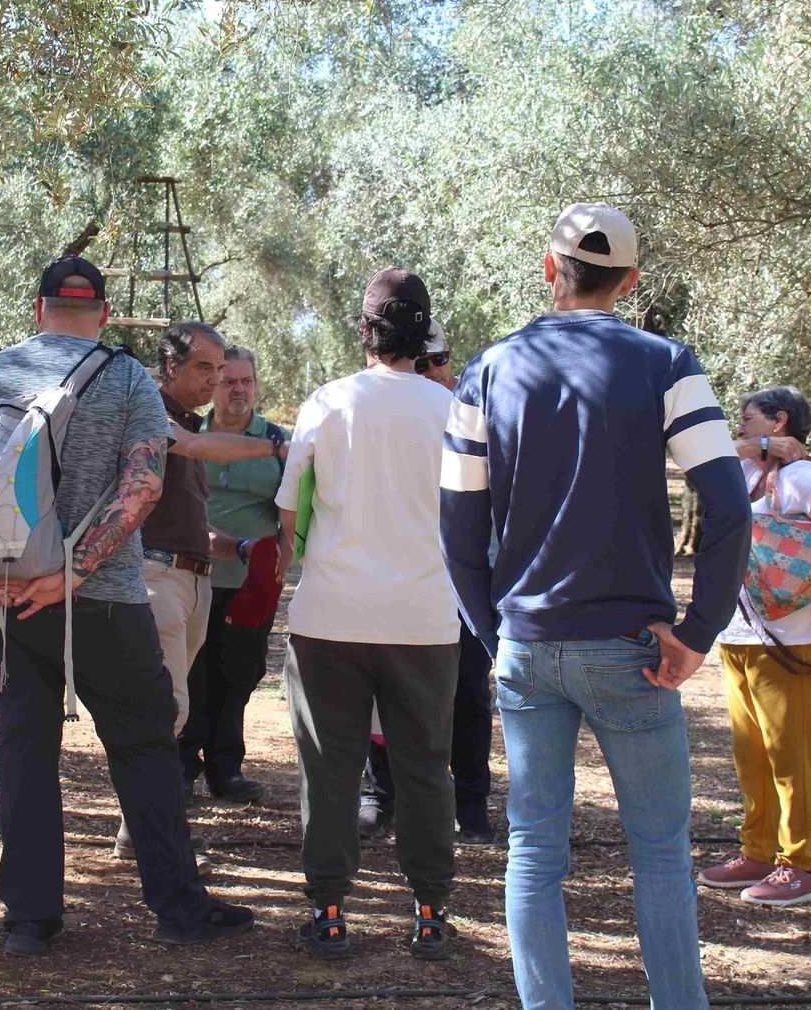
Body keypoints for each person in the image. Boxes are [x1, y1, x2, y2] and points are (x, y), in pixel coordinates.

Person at [440, 203, 750, 1009]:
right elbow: (728, 503)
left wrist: (491, 627)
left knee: (534, 855)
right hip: (634, 651)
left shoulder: (489, 368)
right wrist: (697, 633)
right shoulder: (665, 363)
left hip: (528, 645)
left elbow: (457, 522)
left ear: (550, 269)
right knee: (658, 853)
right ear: (632, 281)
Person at [0, 256, 252, 955]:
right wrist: (74, 574)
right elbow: (143, 486)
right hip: (102, 598)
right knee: (144, 748)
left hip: (5, 597)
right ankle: (177, 909)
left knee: (24, 749)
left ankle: (30, 920)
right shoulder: (126, 375)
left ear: (37, 309)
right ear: (103, 315)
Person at [273, 268, 461, 961]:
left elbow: (290, 511)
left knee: (329, 770)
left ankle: (327, 911)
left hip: (331, 617)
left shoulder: (327, 403)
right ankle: (432, 912)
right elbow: (477, 522)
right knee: (424, 769)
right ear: (425, 334)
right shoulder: (451, 411)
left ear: (365, 331)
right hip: (426, 619)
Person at [113, 324, 288, 861]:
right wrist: (278, 443)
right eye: (205, 370)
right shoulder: (154, 412)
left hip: (195, 578)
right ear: (170, 368)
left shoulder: (185, 418)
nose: (216, 383)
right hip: (157, 575)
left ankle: (144, 830)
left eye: (224, 373)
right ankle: (151, 837)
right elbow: (195, 448)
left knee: (178, 706)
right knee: (163, 707)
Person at [697, 385, 811, 907]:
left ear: (779, 420)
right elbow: (705, 454)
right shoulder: (749, 472)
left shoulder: (799, 477)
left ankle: (798, 866)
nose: (741, 425)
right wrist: (759, 448)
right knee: (751, 755)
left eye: (749, 418)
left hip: (785, 640)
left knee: (788, 757)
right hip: (739, 635)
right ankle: (756, 850)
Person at [360, 325, 497, 844]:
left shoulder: (476, 417)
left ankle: (471, 803)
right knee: (384, 688)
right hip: (392, 577)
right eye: (419, 363)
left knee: (467, 693)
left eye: (435, 361)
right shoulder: (383, 415)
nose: (428, 372)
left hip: (463, 585)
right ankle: (381, 792)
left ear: (449, 362)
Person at [176, 345, 286, 804]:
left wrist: (278, 558)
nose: (239, 389)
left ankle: (226, 769)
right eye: (229, 381)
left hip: (249, 586)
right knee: (190, 674)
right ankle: (181, 767)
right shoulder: (186, 435)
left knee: (240, 673)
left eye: (247, 381)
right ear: (214, 385)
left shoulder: (278, 442)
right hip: (191, 578)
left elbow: (293, 512)